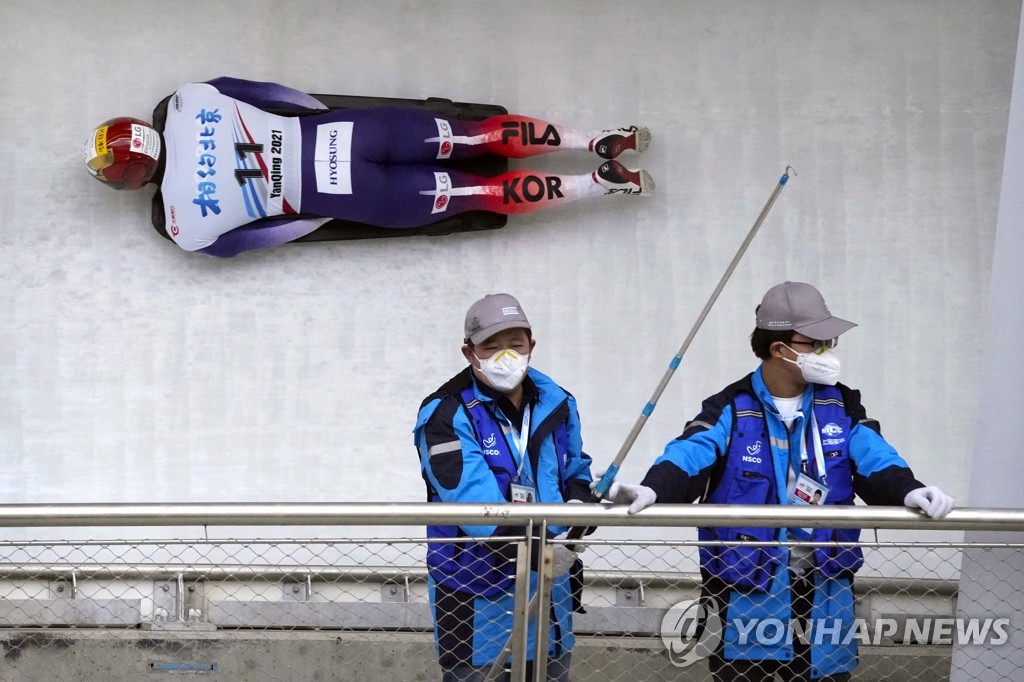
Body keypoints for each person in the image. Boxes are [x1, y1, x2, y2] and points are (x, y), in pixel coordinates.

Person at [598, 281, 955, 682]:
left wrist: (910, 489)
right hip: (744, 598)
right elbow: (689, 453)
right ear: (780, 349)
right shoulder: (730, 407)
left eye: (828, 341)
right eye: (816, 342)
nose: (827, 351)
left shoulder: (841, 404)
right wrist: (654, 488)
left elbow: (876, 458)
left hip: (823, 591)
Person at [83, 77, 654, 258]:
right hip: (348, 132)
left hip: (356, 196)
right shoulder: (189, 99)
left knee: (478, 191)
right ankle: (593, 139)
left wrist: (316, 212)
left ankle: (595, 185)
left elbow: (268, 237)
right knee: (475, 133)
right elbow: (274, 93)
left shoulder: (185, 226)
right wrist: (324, 118)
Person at [414, 293, 594, 681]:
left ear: (532, 345)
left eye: (515, 343)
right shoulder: (444, 413)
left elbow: (576, 470)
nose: (505, 354)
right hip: (477, 605)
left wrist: (585, 513)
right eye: (490, 346)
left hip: (550, 601)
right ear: (469, 353)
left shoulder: (558, 403)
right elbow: (475, 508)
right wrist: (545, 549)